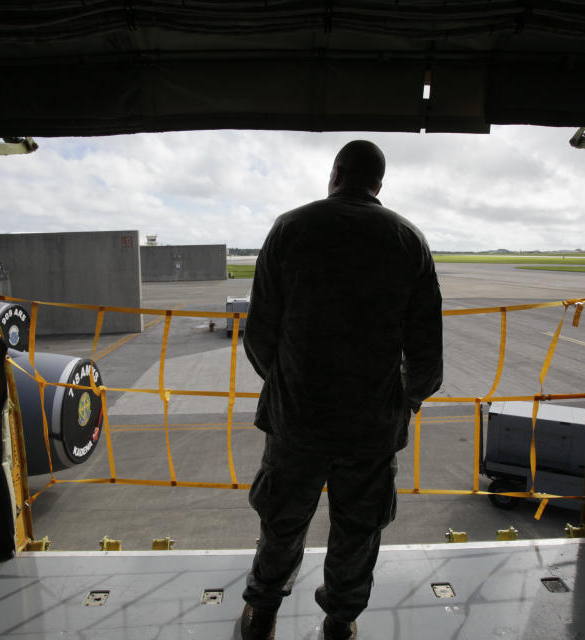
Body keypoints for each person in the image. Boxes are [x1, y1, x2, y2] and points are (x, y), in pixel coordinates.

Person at [239, 140, 444, 640]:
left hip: (297, 423)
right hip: (371, 429)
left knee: (282, 523)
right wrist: (407, 400)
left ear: (335, 174)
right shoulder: (408, 240)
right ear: (378, 183)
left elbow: (259, 335)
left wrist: (289, 387)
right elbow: (426, 352)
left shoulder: (290, 229)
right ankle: (340, 619)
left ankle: (262, 613)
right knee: (358, 531)